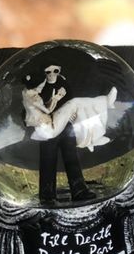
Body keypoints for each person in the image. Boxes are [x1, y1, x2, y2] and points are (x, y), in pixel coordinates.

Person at [24, 63, 96, 205]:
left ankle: (79, 190)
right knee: (48, 160)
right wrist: (55, 99)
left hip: (66, 129)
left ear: (59, 71)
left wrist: (72, 116)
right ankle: (47, 196)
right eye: (48, 71)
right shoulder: (39, 88)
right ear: (43, 73)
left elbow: (72, 103)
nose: (52, 74)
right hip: (47, 130)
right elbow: (40, 108)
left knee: (72, 157)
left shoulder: (64, 83)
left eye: (55, 71)